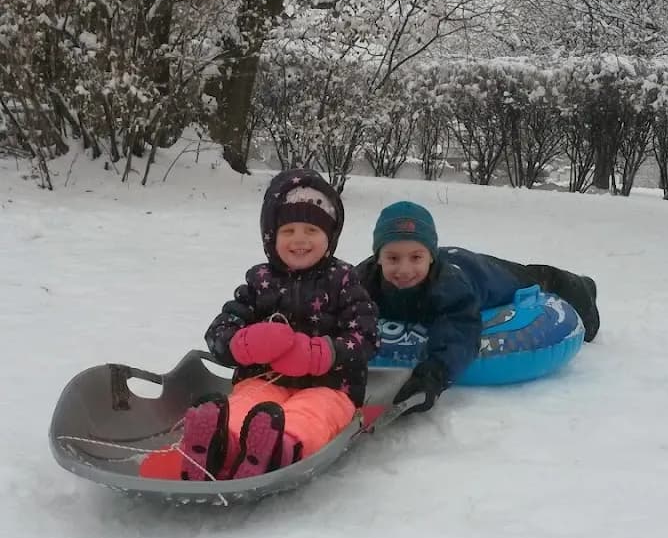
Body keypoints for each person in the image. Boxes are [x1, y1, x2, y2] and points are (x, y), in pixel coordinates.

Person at [165, 170, 377, 482]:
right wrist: (242, 343)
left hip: (330, 386)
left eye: (311, 229)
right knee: (245, 406)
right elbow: (220, 330)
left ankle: (279, 449)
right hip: (263, 380)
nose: (300, 239)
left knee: (310, 415)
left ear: (329, 236)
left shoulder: (343, 281)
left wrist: (324, 353)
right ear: (270, 235)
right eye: (288, 230)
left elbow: (367, 334)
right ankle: (219, 446)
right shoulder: (259, 282)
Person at [356, 200, 599, 414]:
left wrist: (433, 375)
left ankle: (584, 288)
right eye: (393, 258)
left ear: (431, 256)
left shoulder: (449, 285)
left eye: (416, 257)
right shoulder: (363, 279)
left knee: (538, 277)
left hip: (479, 272)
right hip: (449, 260)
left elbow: (459, 329)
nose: (404, 270)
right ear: (378, 258)